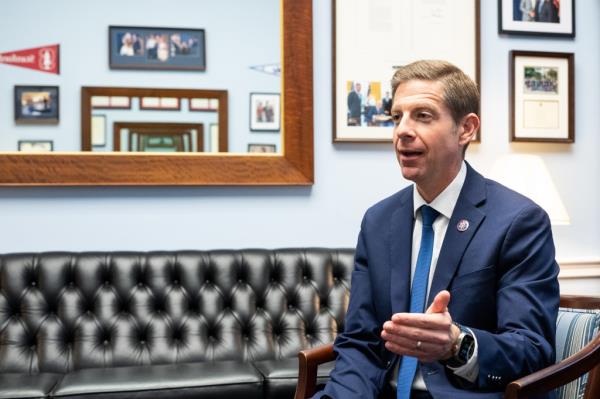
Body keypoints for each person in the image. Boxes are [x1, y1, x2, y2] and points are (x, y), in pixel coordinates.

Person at [312, 60, 559, 399]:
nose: (402, 130)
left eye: (423, 116)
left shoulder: (519, 221)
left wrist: (456, 344)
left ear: (466, 129)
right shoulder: (378, 221)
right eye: (397, 117)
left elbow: (532, 351)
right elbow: (361, 342)